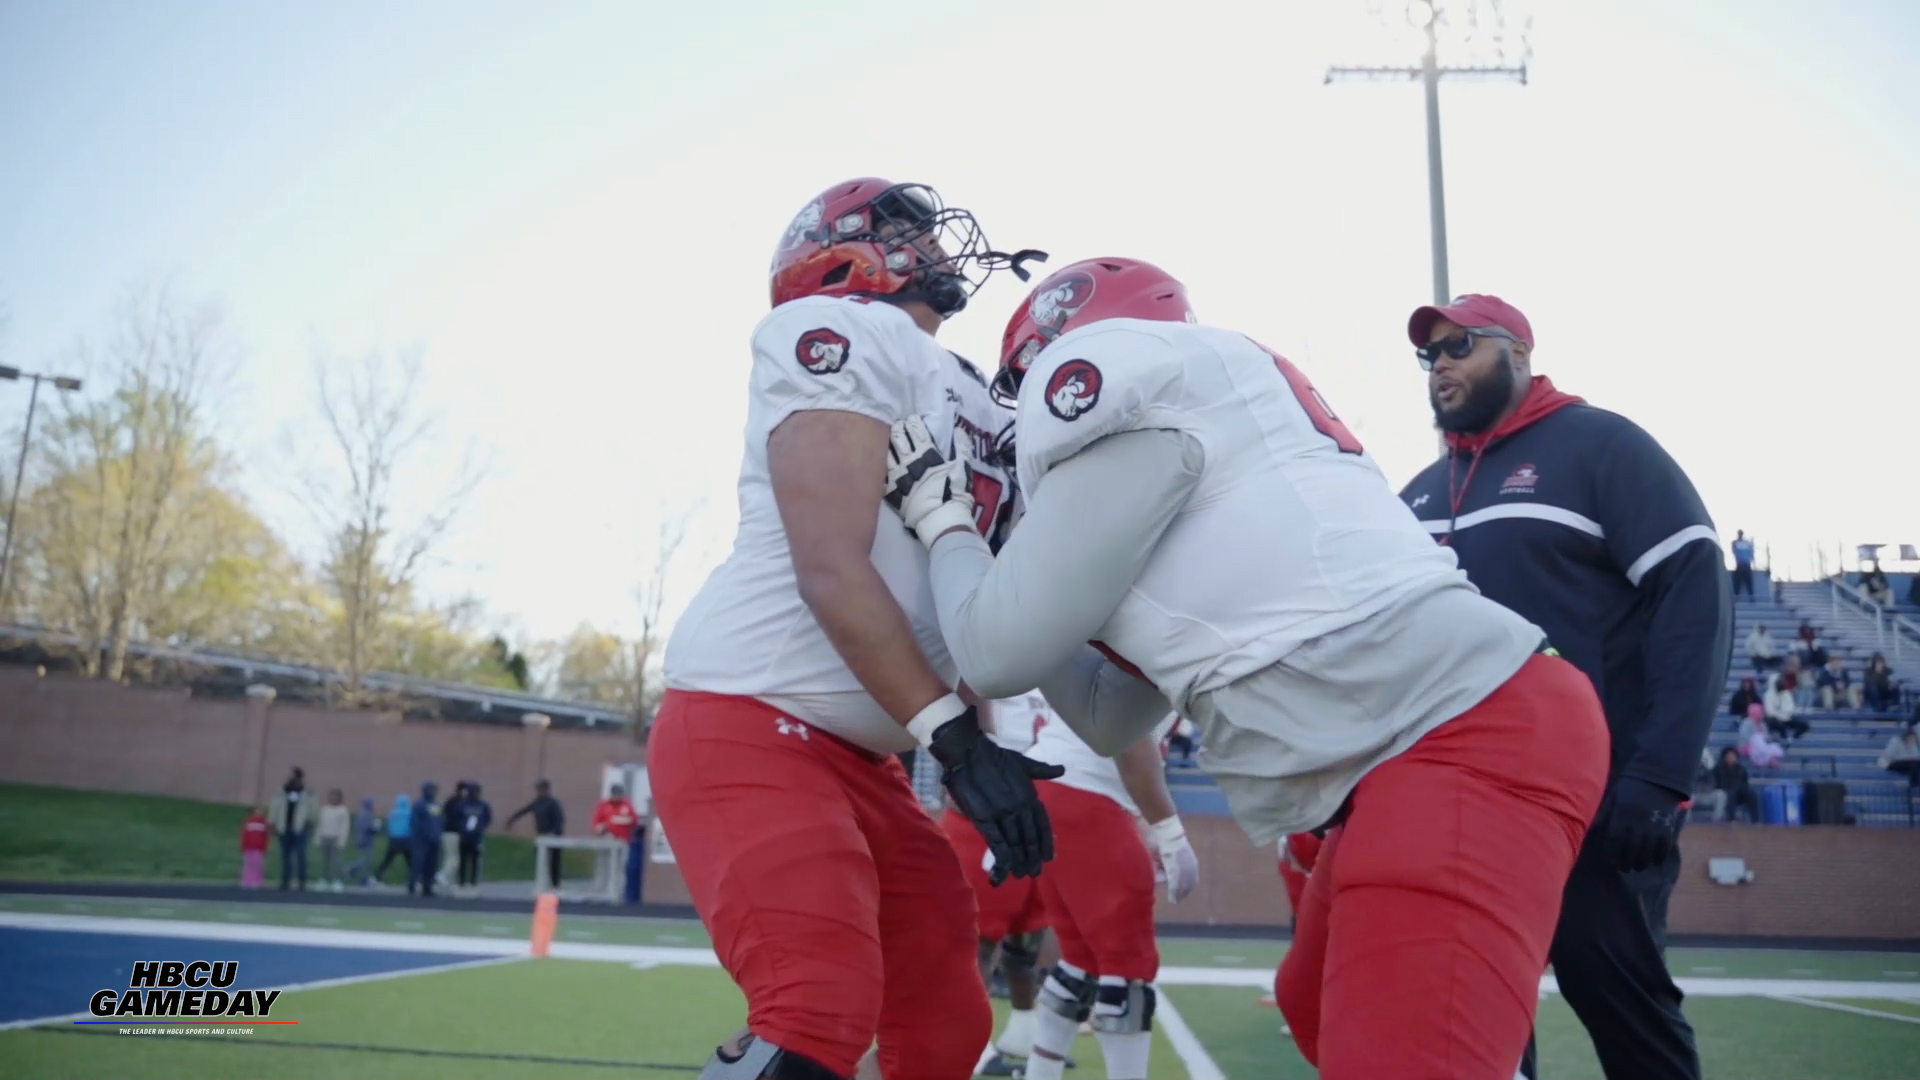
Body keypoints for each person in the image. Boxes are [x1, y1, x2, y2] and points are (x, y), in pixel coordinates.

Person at [881, 257, 1608, 1080]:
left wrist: (948, 524)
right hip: (1429, 740)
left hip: (1457, 736)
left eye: (1026, 377)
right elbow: (1105, 714)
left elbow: (991, 654)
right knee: (1318, 1007)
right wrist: (1028, 576)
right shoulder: (1206, 462)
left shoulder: (1134, 407)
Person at [652, 177, 1055, 1080]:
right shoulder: (835, 330)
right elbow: (831, 563)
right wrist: (957, 745)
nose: (936, 244)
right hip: (750, 716)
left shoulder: (982, 394)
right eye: (904, 231)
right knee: (815, 1006)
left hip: (868, 754)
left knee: (945, 1022)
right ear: (835, 254)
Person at [1398, 293, 1731, 1080]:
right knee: (1475, 1018)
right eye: (1429, 354)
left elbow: (1693, 595)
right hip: (1458, 805)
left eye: (1459, 346)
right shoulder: (1414, 493)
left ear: (1518, 350)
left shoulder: (1601, 446)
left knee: (1619, 1002)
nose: (1439, 365)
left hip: (1595, 800)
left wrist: (1660, 775)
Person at [1007, 693, 1195, 1080]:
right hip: (1086, 795)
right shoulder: (1149, 644)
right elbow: (1128, 733)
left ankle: (1040, 1073)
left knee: (1079, 962)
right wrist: (1169, 830)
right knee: (1126, 971)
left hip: (1049, 787)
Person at [506, 780, 567, 890]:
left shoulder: (553, 803)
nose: (539, 792)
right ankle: (542, 881)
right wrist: (511, 820)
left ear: (546, 789)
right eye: (538, 789)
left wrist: (554, 832)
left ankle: (555, 884)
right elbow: (524, 811)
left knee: (554, 860)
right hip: (542, 835)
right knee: (540, 858)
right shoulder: (537, 802)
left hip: (553, 835)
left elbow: (560, 819)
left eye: (541, 789)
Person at [267, 767, 317, 892]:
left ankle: (302, 881)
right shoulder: (281, 793)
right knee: (285, 856)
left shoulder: (308, 794)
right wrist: (272, 823)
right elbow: (274, 808)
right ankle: (285, 880)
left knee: (301, 855)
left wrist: (310, 822)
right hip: (284, 827)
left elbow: (313, 810)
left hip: (300, 828)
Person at [454, 782, 492, 894]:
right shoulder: (462, 804)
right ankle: (462, 881)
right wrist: (461, 828)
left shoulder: (483, 805)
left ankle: (473, 882)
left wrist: (481, 828)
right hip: (464, 835)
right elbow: (456, 817)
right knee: (463, 860)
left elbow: (487, 818)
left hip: (476, 836)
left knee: (475, 860)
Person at [408, 782, 443, 898]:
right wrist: (420, 836)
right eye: (432, 789)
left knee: (431, 865)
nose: (434, 792)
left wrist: (438, 834)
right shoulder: (420, 805)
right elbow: (415, 823)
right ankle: (412, 885)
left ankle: (427, 887)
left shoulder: (437, 805)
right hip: (422, 840)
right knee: (418, 863)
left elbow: (440, 820)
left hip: (435, 840)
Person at [315, 789, 351, 893]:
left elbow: (344, 827)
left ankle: (337, 880)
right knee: (324, 861)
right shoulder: (324, 809)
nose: (333, 798)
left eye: (335, 796)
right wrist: (317, 839)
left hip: (336, 838)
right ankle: (324, 879)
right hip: (324, 837)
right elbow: (320, 825)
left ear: (340, 798)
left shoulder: (343, 810)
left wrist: (341, 841)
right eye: (331, 796)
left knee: (335, 861)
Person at [1712, 748, 1762, 823]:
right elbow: (1716, 783)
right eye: (1729, 756)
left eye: (1733, 756)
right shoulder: (1718, 768)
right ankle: (1732, 819)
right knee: (1730, 794)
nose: (1731, 758)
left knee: (1752, 794)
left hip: (1740, 792)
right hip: (1725, 790)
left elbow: (1745, 782)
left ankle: (1756, 820)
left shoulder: (1741, 769)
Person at [375, 792, 413, 885]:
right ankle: (412, 878)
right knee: (410, 861)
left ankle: (378, 876)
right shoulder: (410, 813)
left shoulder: (393, 812)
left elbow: (389, 824)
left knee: (388, 859)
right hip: (406, 839)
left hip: (394, 839)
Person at [346, 796, 382, 887]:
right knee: (367, 860)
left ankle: (361, 877)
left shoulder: (361, 814)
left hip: (360, 839)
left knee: (365, 859)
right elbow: (368, 829)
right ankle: (357, 873)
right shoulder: (368, 815)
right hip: (366, 840)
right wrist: (377, 827)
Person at [239, 806, 270, 890]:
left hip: (259, 848)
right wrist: (243, 846)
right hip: (249, 847)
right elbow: (244, 834)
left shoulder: (264, 823)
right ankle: (247, 880)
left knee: (258, 864)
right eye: (257, 811)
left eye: (260, 811)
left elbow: (266, 836)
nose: (258, 813)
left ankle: (258, 881)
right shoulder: (248, 821)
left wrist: (265, 847)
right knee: (248, 864)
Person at [1730, 530, 1756, 601]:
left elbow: (1751, 552)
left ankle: (1750, 597)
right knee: (1739, 582)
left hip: (1745, 564)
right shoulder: (1737, 543)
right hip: (1741, 564)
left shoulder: (1744, 543)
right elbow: (1734, 551)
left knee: (1747, 582)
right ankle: (1738, 596)